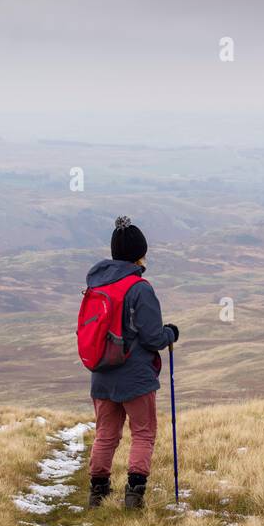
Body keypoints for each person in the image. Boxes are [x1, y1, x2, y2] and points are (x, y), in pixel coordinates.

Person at [85, 216, 178, 509]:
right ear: (140, 253)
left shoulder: (97, 284)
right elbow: (152, 338)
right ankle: (134, 495)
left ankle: (98, 493)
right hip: (135, 377)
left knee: (106, 435)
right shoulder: (140, 288)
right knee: (143, 433)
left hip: (101, 374)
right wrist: (170, 333)